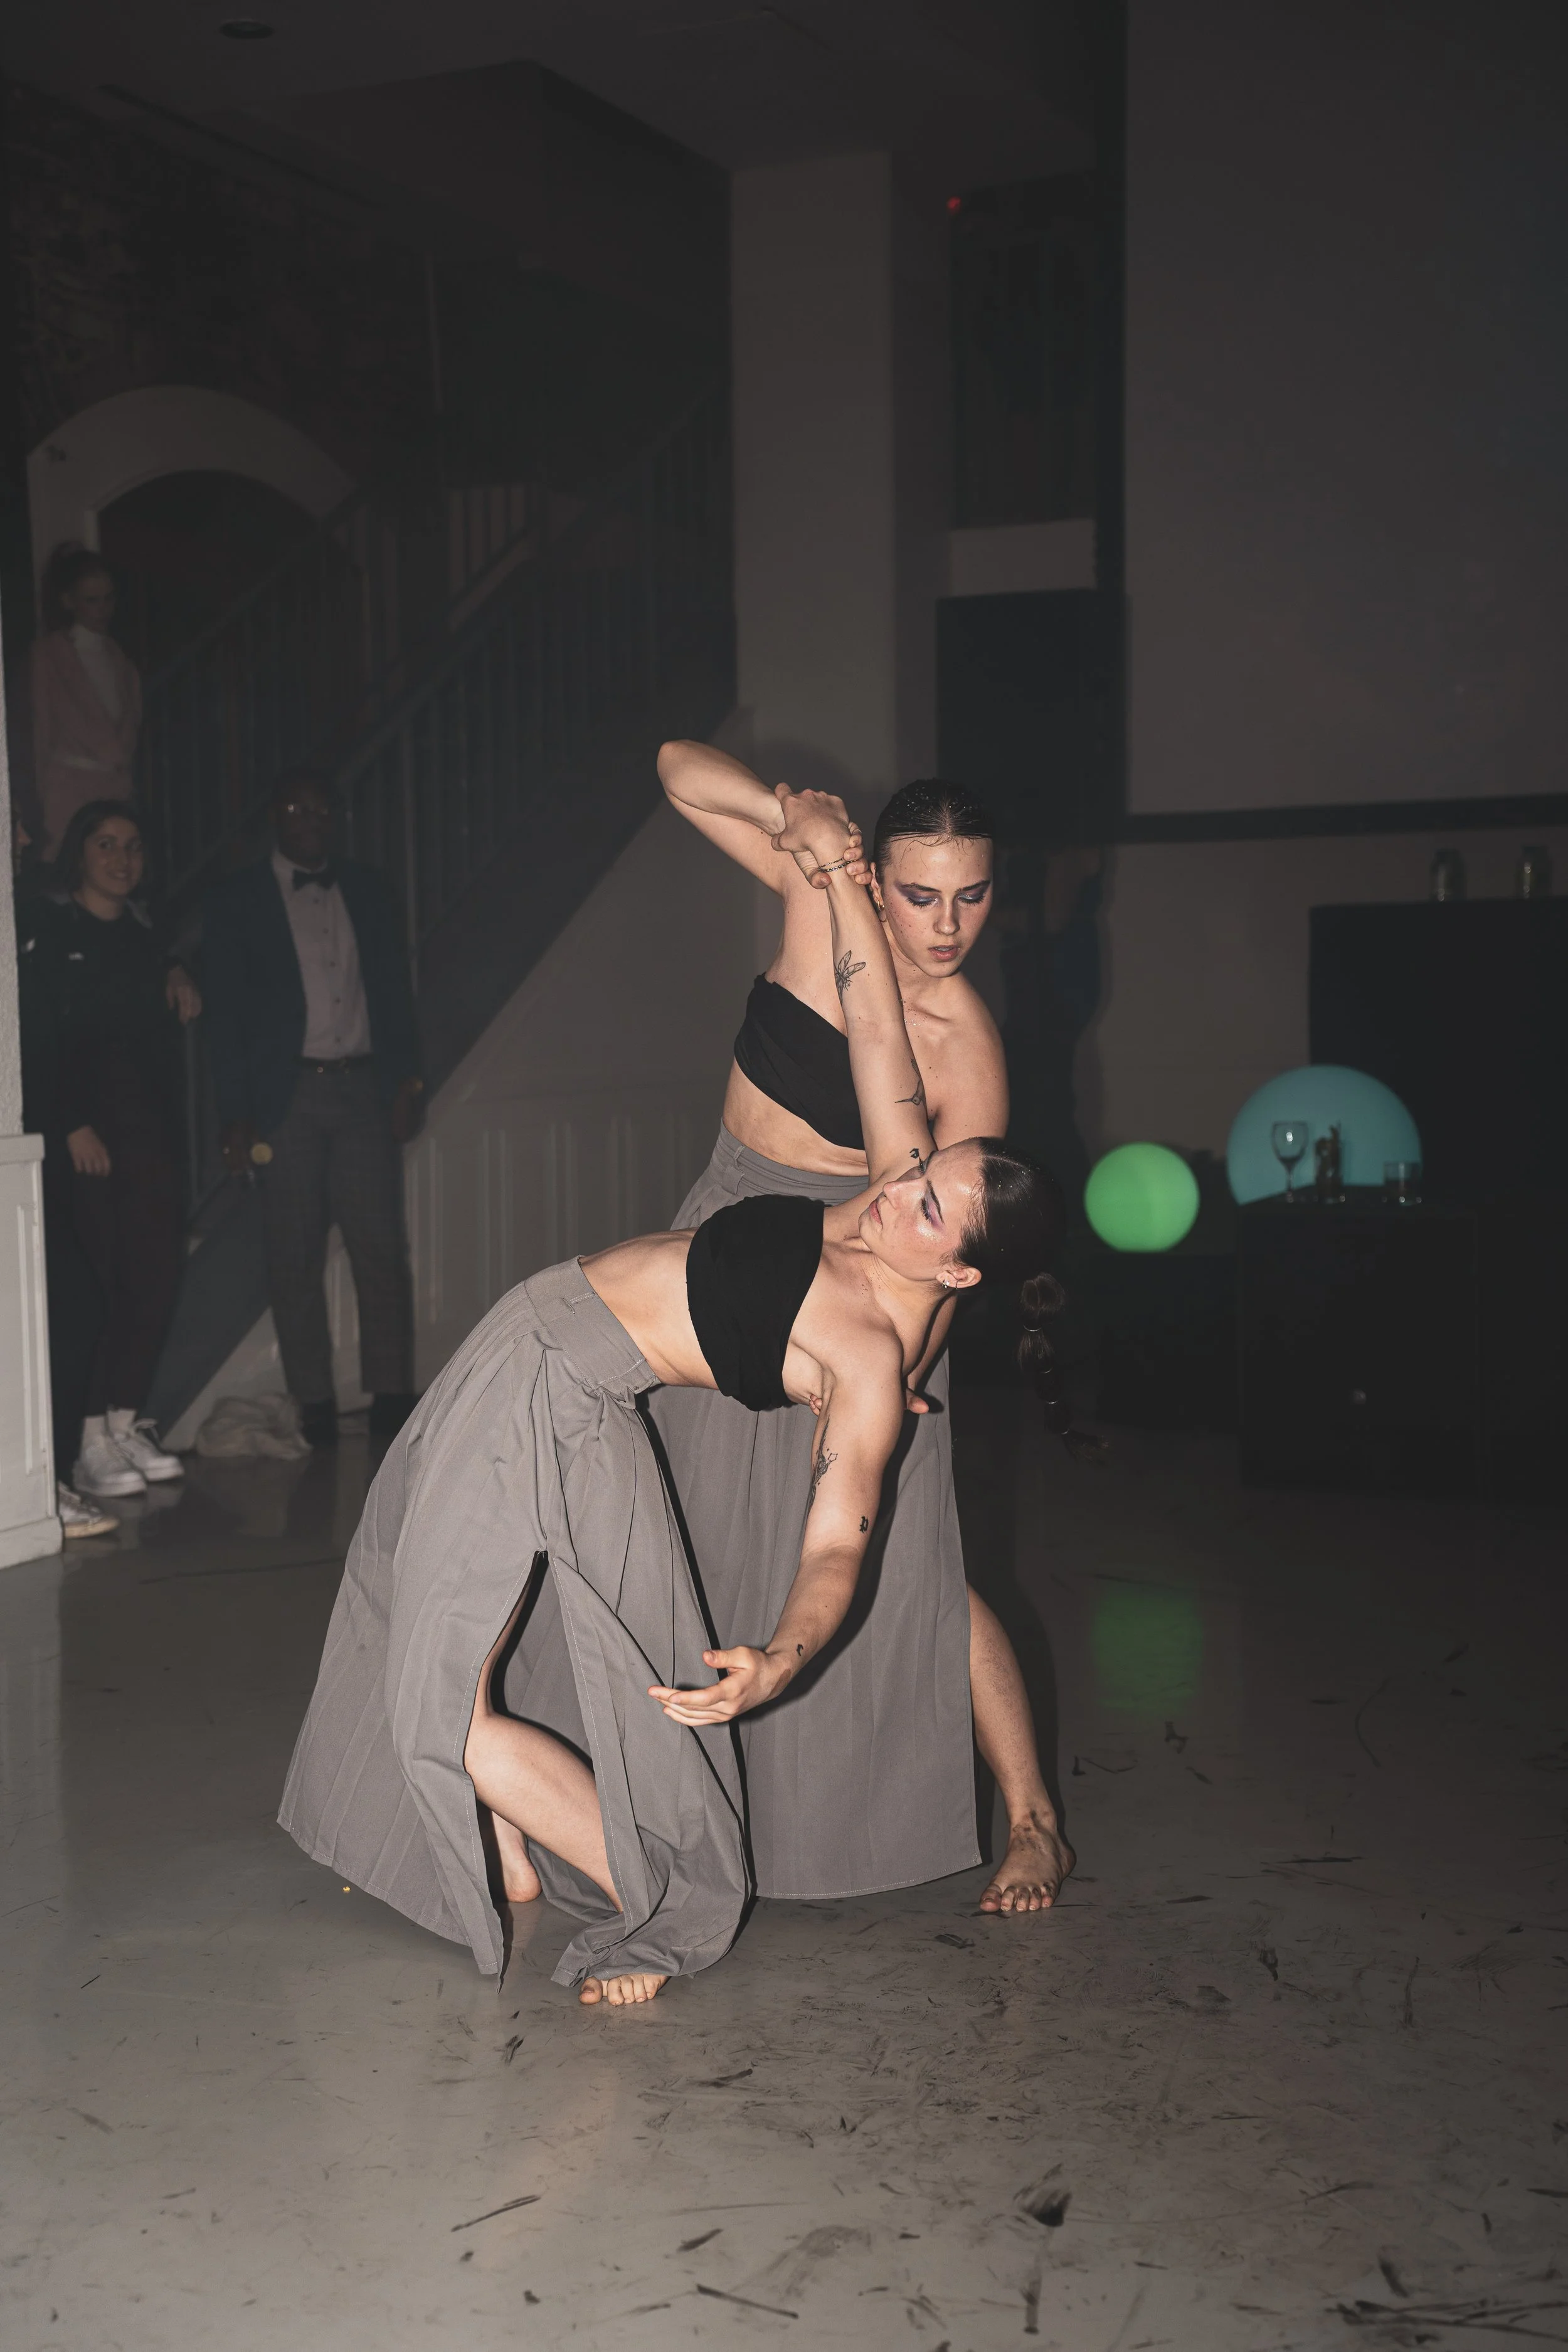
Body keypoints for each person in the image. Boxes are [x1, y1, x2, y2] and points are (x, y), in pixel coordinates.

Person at [280, 787, 1075, 2008]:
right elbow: (871, 1025)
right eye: (921, 893)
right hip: (616, 1364)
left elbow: (841, 1534)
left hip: (584, 1370)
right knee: (601, 1609)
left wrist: (781, 1658)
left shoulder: (878, 1337)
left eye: (969, 897)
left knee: (431, 1668)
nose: (896, 1184)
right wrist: (819, 852)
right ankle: (563, 1852)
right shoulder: (887, 1172)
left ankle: (987, 1827)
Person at [652, 742, 1078, 1915]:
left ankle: (1034, 1822)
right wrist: (788, 814)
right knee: (685, 1530)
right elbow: (677, 770)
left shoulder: (964, 1042)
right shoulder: (820, 893)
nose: (946, 926)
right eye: (922, 893)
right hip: (723, 1244)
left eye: (972, 896)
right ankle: (670, 1807)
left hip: (864, 1305)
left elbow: (952, 1258)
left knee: (912, 1569)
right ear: (877, 878)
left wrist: (886, 1380)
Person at [202, 770, 423, 1445]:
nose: (309, 817)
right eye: (296, 807)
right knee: (292, 1257)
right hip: (286, 1097)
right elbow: (225, 1016)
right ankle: (314, 1404)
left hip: (363, 1089)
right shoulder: (239, 898)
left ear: (336, 816)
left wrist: (408, 1083)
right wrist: (235, 1114)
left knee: (380, 1249)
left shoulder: (369, 888)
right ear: (276, 815)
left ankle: (392, 1399)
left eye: (321, 807)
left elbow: (395, 989)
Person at [42, 800, 198, 1500]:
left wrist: (176, 968)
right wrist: (71, 1122)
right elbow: (42, 1038)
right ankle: (87, 1442)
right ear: (80, 852)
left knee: (153, 1279)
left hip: (150, 1135)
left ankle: (122, 1422)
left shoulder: (147, 935)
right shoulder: (52, 931)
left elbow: (160, 968)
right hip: (88, 1140)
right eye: (105, 844)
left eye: (132, 846)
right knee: (100, 1288)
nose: (121, 858)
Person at [12, 817, 116, 1537]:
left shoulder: (31, 912)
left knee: (71, 1307)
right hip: (29, 1134)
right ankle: (42, 1488)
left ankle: (50, 1483)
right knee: (72, 1308)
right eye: (14, 825)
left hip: (32, 1137)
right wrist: (69, 1116)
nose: (24, 837)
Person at [31, 549, 142, 856]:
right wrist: (38, 799)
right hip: (69, 792)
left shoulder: (119, 658)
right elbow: (41, 731)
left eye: (108, 599)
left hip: (115, 791)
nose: (103, 609)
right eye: (92, 600)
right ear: (69, 602)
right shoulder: (49, 655)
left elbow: (128, 728)